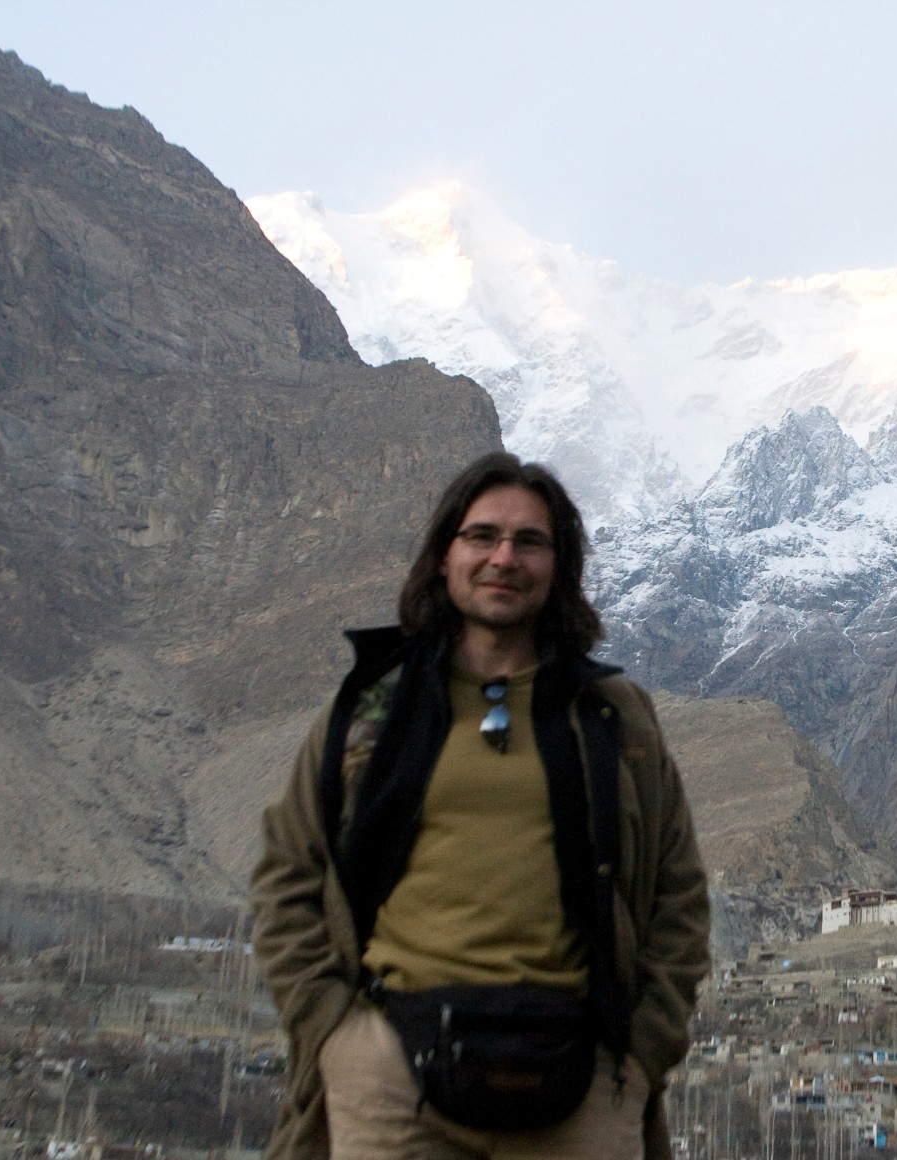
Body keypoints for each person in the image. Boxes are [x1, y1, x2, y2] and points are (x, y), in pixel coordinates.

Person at [251, 452, 711, 1160]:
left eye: (530, 542)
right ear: (444, 555)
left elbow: (678, 895)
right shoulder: (373, 708)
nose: (505, 557)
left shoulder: (614, 719)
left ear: (560, 566)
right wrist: (335, 1035)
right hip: (391, 1080)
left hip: (579, 1087)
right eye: (482, 536)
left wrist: (642, 1054)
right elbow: (288, 870)